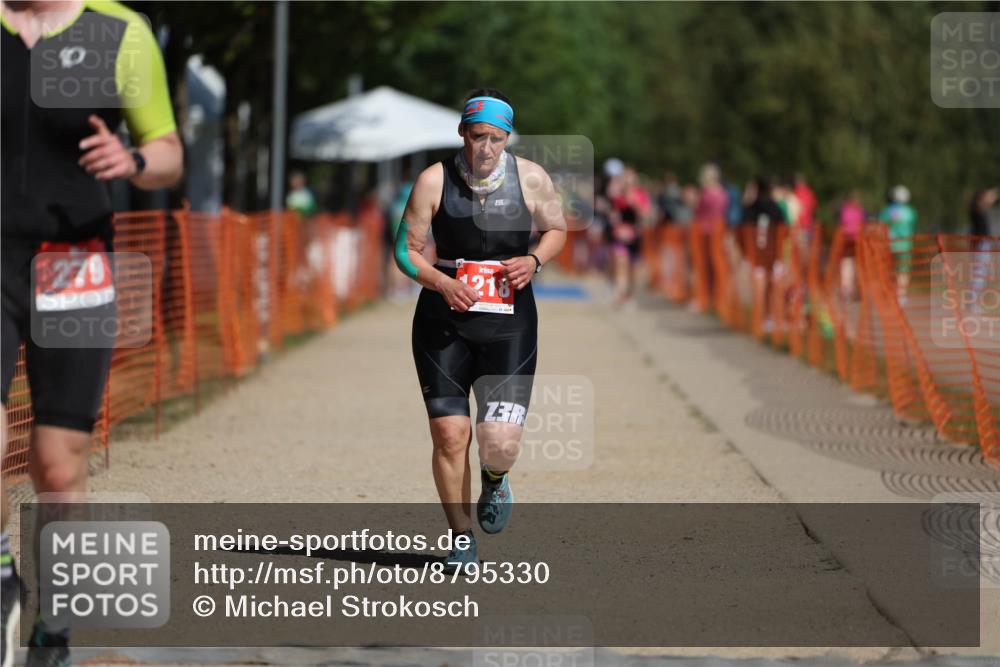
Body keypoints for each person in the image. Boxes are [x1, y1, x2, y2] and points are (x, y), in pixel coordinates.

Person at [1, 2, 183, 666]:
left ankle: (53, 619)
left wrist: (131, 158)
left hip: (73, 263)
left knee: (58, 462)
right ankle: (2, 572)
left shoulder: (118, 32)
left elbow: (168, 155)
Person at [394, 89, 566, 570]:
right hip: (443, 321)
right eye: (476, 136)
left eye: (495, 137)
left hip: (510, 325)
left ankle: (495, 478)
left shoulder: (531, 178)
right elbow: (405, 250)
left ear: (507, 137)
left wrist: (534, 260)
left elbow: (556, 229)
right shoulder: (434, 180)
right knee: (450, 436)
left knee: (500, 443)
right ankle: (460, 537)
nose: (485, 147)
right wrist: (440, 282)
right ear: (462, 134)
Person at [740, 176, 787, 332]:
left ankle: (759, 317)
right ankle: (770, 316)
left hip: (755, 254)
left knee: (758, 287)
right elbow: (783, 231)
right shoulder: (776, 208)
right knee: (772, 287)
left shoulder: (749, 209)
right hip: (773, 253)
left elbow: (742, 232)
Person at [691, 163, 729, 312]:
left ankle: (704, 298)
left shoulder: (706, 192)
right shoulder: (722, 192)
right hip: (718, 228)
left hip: (704, 229)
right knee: (717, 264)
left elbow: (698, 210)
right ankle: (718, 298)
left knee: (704, 265)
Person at [878, 185, 917, 301]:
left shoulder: (886, 211)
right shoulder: (910, 212)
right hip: (905, 245)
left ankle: (889, 292)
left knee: (888, 269)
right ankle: (901, 294)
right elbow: (912, 224)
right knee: (903, 270)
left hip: (889, 245)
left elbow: (880, 225)